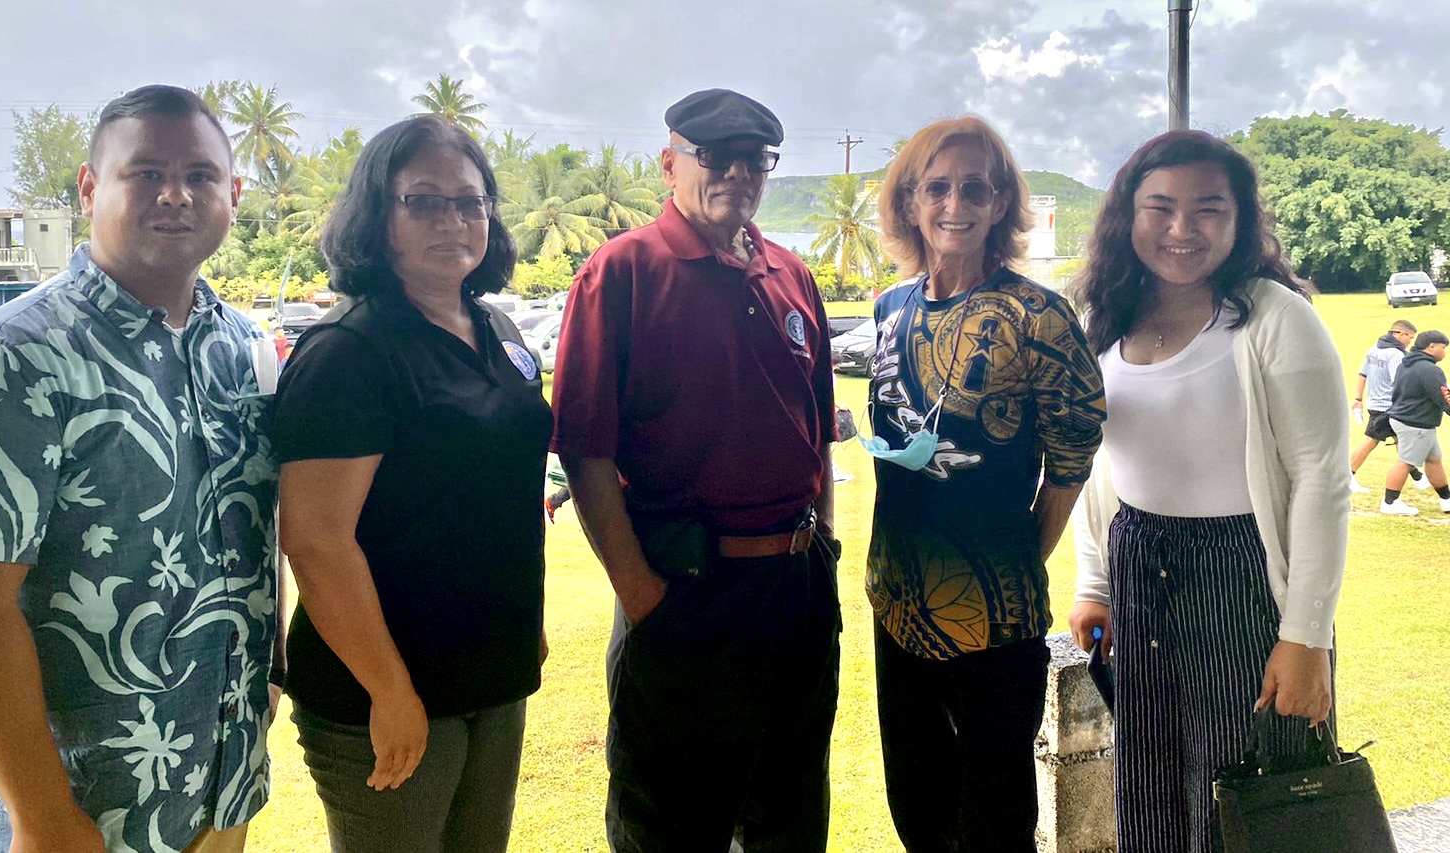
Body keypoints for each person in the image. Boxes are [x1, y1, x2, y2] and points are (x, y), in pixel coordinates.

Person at [0, 85, 280, 853]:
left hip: (223, 786)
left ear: (234, 195)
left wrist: (269, 677)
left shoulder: (243, 348)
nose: (175, 194)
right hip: (88, 808)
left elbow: (257, 538)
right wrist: (44, 819)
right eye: (145, 172)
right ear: (89, 188)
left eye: (201, 176)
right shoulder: (12, 359)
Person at [551, 88, 841, 852]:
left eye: (757, 159)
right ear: (671, 161)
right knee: (674, 825)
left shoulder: (791, 275)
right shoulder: (623, 271)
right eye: (717, 155)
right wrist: (642, 596)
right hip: (686, 592)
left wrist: (825, 547)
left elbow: (818, 431)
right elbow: (586, 449)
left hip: (796, 593)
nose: (739, 173)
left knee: (791, 813)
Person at [273, 115, 551, 853]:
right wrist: (390, 691)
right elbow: (316, 541)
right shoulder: (350, 353)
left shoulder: (499, 332)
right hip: (385, 693)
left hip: (491, 677)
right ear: (376, 213)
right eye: (423, 201)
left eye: (471, 201)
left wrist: (524, 625)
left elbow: (500, 491)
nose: (453, 219)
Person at [1068, 130, 1348, 852]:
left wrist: (1306, 635)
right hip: (1138, 564)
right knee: (1152, 781)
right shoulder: (1107, 319)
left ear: (1240, 219)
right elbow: (1098, 462)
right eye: (1159, 207)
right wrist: (1094, 581)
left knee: (1252, 791)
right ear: (1127, 216)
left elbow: (1322, 477)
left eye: (1208, 210)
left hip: (1244, 576)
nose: (1181, 230)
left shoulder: (1276, 318)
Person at [863, 116, 1106, 851]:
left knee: (994, 820)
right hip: (895, 601)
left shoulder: (1039, 317)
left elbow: (1071, 461)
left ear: (1002, 203)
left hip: (995, 620)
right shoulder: (890, 307)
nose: (954, 204)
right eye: (936, 187)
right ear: (909, 201)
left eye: (976, 187)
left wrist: (1016, 559)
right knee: (917, 805)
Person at [1348, 320, 1427, 492]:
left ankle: (1418, 477)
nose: (1410, 342)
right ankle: (1347, 477)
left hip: (1376, 403)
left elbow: (1362, 374)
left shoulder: (1374, 349)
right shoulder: (1395, 354)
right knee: (1371, 441)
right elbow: (1399, 382)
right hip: (1389, 406)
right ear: (1400, 334)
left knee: (1401, 440)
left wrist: (1358, 398)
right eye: (1410, 338)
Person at [1378, 329, 1450, 516]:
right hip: (1415, 424)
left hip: (1405, 418)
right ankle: (1390, 502)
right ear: (1431, 346)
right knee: (1406, 462)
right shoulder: (1431, 370)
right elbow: (1443, 397)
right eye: (1443, 348)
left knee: (1434, 459)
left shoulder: (1406, 363)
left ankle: (1446, 499)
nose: (1445, 352)